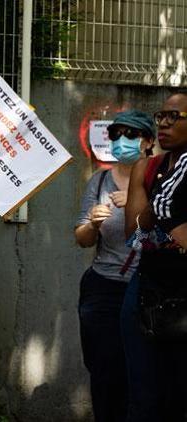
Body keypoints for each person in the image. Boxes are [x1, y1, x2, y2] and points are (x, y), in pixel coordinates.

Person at [74, 110, 155, 422]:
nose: (122, 141)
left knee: (143, 374)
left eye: (131, 135)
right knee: (105, 374)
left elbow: (172, 233)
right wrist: (92, 224)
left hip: (148, 289)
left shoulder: (161, 179)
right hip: (103, 289)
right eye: (116, 134)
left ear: (148, 141)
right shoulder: (100, 181)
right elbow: (81, 238)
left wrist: (141, 207)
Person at [125, 92, 187, 421]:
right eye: (160, 115)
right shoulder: (148, 169)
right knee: (146, 395)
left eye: (174, 116)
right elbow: (134, 236)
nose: (163, 122)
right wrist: (160, 202)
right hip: (150, 295)